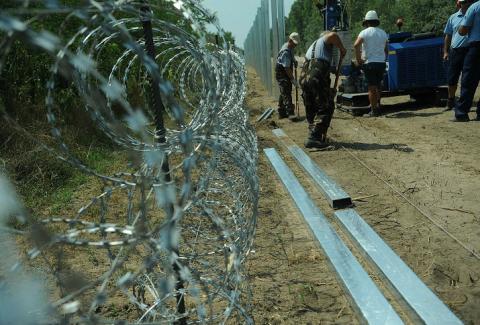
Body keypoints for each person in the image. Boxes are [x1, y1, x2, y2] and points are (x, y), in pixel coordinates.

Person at [300, 31, 346, 148]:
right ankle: (314, 137)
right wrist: (342, 49)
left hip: (304, 76)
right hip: (316, 74)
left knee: (312, 105)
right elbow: (333, 35)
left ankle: (314, 134)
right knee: (327, 105)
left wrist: (329, 90)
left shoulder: (314, 47)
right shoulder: (324, 40)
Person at [353, 10, 388, 117]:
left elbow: (356, 45)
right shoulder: (383, 33)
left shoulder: (364, 33)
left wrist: (359, 60)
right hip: (381, 63)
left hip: (369, 63)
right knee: (378, 86)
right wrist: (384, 58)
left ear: (367, 22)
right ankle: (377, 105)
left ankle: (373, 111)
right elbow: (386, 49)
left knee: (371, 88)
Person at [452, 0, 480, 122]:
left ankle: (461, 112)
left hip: (476, 47)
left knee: (468, 80)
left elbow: (463, 31)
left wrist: (460, 29)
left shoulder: (475, 7)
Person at [443, 0, 472, 111]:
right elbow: (448, 35)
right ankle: (450, 100)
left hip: (469, 50)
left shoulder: (473, 14)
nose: (465, 4)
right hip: (455, 51)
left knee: (467, 78)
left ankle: (464, 102)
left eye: (467, 2)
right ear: (458, 4)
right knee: (452, 77)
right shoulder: (453, 17)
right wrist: (445, 52)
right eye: (462, 2)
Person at [275, 32, 300, 119]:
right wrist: (293, 79)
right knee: (286, 91)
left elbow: (291, 55)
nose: (295, 46)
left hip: (284, 71)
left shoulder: (289, 47)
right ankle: (290, 113)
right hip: (282, 72)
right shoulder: (285, 52)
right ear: (290, 40)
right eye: (294, 43)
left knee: (284, 91)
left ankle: (281, 112)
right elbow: (286, 68)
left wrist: (294, 61)